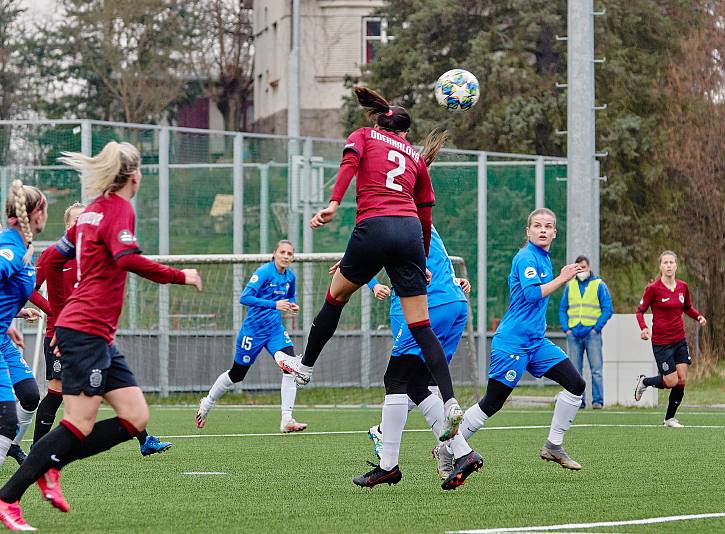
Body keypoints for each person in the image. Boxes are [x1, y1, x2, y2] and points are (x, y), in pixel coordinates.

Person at [0, 141, 202, 531]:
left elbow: (52, 258)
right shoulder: (117, 209)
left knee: (134, 417)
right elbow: (126, 259)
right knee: (77, 423)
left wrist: (60, 318)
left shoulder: (90, 214)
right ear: (134, 175)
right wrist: (181, 275)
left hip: (93, 332)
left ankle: (49, 464)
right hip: (86, 331)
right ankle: (10, 495)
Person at [279, 87, 464, 488]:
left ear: (378, 121)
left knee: (337, 294)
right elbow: (425, 215)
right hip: (410, 234)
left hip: (375, 225)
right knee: (421, 326)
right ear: (405, 131)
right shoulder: (416, 157)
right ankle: (450, 401)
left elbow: (348, 166)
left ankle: (305, 366)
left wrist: (332, 203)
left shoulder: (364, 136)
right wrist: (422, 261)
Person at [30, 202, 173, 457]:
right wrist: (53, 312)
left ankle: (144, 439)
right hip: (59, 336)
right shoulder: (54, 255)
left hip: (91, 336)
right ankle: (35, 452)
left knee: (112, 385)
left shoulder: (95, 256)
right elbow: (29, 288)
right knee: (56, 393)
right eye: (75, 221)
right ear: (67, 226)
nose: (80, 226)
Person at [459, 208, 587, 470]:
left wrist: (558, 276)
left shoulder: (543, 257)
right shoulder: (526, 257)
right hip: (513, 343)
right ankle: (449, 446)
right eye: (537, 225)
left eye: (548, 226)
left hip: (535, 343)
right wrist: (562, 278)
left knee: (576, 384)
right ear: (528, 231)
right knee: (492, 403)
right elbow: (531, 295)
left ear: (554, 233)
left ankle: (553, 446)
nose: (542, 230)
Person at [361, 226, 481, 490]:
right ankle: (462, 453)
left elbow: (374, 252)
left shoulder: (395, 215)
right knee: (417, 385)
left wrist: (354, 265)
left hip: (431, 303)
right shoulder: (419, 216)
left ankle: (387, 461)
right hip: (455, 303)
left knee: (395, 378)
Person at [196, 240, 308, 433]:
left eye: (290, 253)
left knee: (290, 367)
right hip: (253, 332)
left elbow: (290, 298)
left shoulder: (290, 277)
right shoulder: (264, 272)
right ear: (274, 254)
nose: (286, 256)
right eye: (282, 252)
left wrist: (292, 305)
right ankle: (207, 403)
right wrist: (274, 305)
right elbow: (244, 298)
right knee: (237, 375)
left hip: (275, 331)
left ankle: (287, 419)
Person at [0, 180, 49, 480]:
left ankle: (14, 448)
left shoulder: (23, 247)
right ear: (35, 214)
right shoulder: (11, 249)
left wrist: (9, 320)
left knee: (30, 395)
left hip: (3, 338)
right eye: (45, 210)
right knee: (5, 422)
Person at [634, 250, 707, 427]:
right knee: (670, 381)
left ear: (676, 265)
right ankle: (644, 381)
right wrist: (644, 328)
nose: (668, 265)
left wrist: (698, 317)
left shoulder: (683, 287)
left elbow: (687, 307)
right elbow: (640, 311)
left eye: (671, 262)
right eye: (665, 262)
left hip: (679, 340)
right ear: (660, 266)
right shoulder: (653, 289)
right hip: (662, 342)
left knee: (681, 380)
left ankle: (669, 419)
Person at [559, 255, 613, 409]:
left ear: (589, 267)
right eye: (578, 267)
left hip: (592, 333)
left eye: (583, 267)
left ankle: (597, 401)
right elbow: (563, 308)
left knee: (596, 369)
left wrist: (597, 328)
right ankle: (578, 401)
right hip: (574, 334)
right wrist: (567, 329)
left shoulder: (599, 285)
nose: (581, 270)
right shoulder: (570, 286)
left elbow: (608, 308)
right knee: (575, 371)